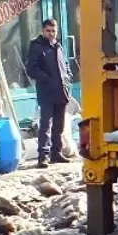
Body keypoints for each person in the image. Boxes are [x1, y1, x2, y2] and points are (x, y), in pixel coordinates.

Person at [26, 17, 72, 168]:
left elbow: (65, 65)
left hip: (61, 91)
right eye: (48, 31)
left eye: (54, 31)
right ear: (43, 31)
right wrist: (46, 79)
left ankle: (56, 153)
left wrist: (67, 78)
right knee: (46, 124)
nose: (51, 34)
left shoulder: (58, 46)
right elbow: (31, 69)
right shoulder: (37, 46)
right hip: (46, 91)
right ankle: (43, 156)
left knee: (59, 124)